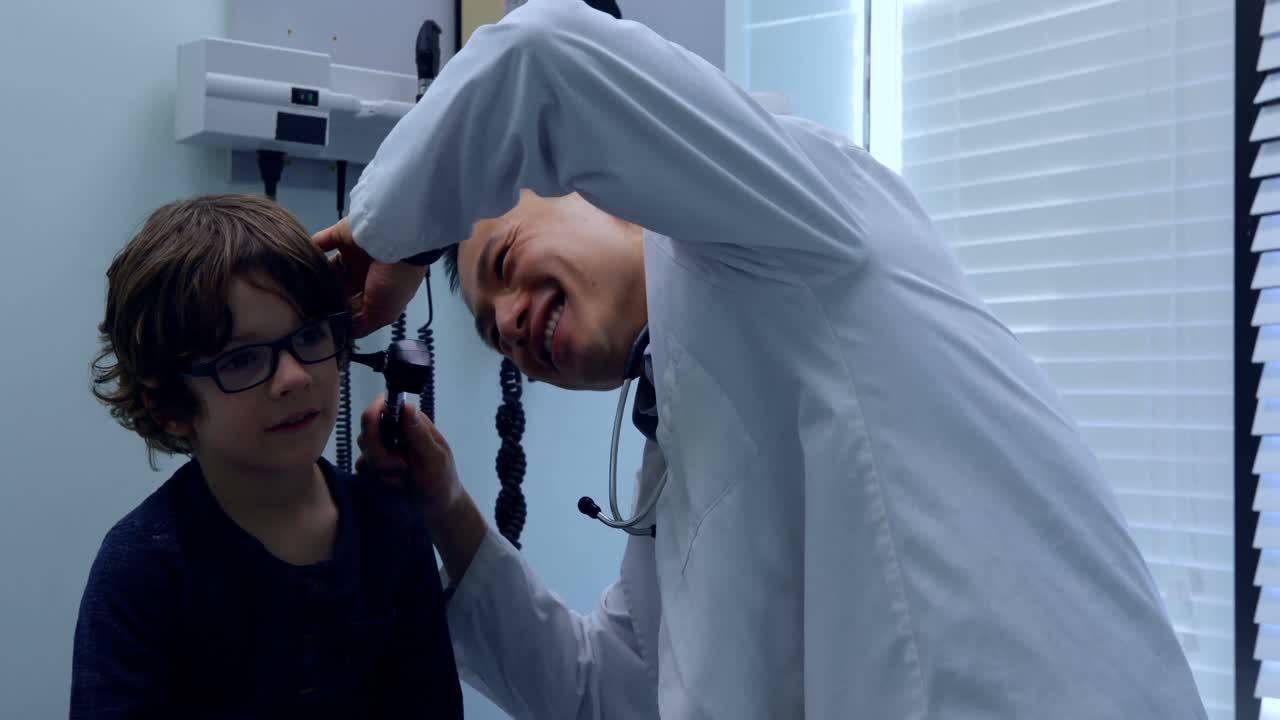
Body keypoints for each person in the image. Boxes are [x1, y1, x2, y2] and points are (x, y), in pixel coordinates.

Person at [315, 0, 1209, 717]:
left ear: (596, 189)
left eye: (503, 264)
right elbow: (611, 691)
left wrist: (382, 240)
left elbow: (542, 59)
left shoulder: (792, 219)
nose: (507, 320)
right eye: (487, 324)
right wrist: (446, 508)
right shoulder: (682, 445)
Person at [72, 194, 463, 718]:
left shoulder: (394, 530)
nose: (295, 377)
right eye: (242, 360)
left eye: (308, 336)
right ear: (168, 406)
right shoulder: (142, 570)